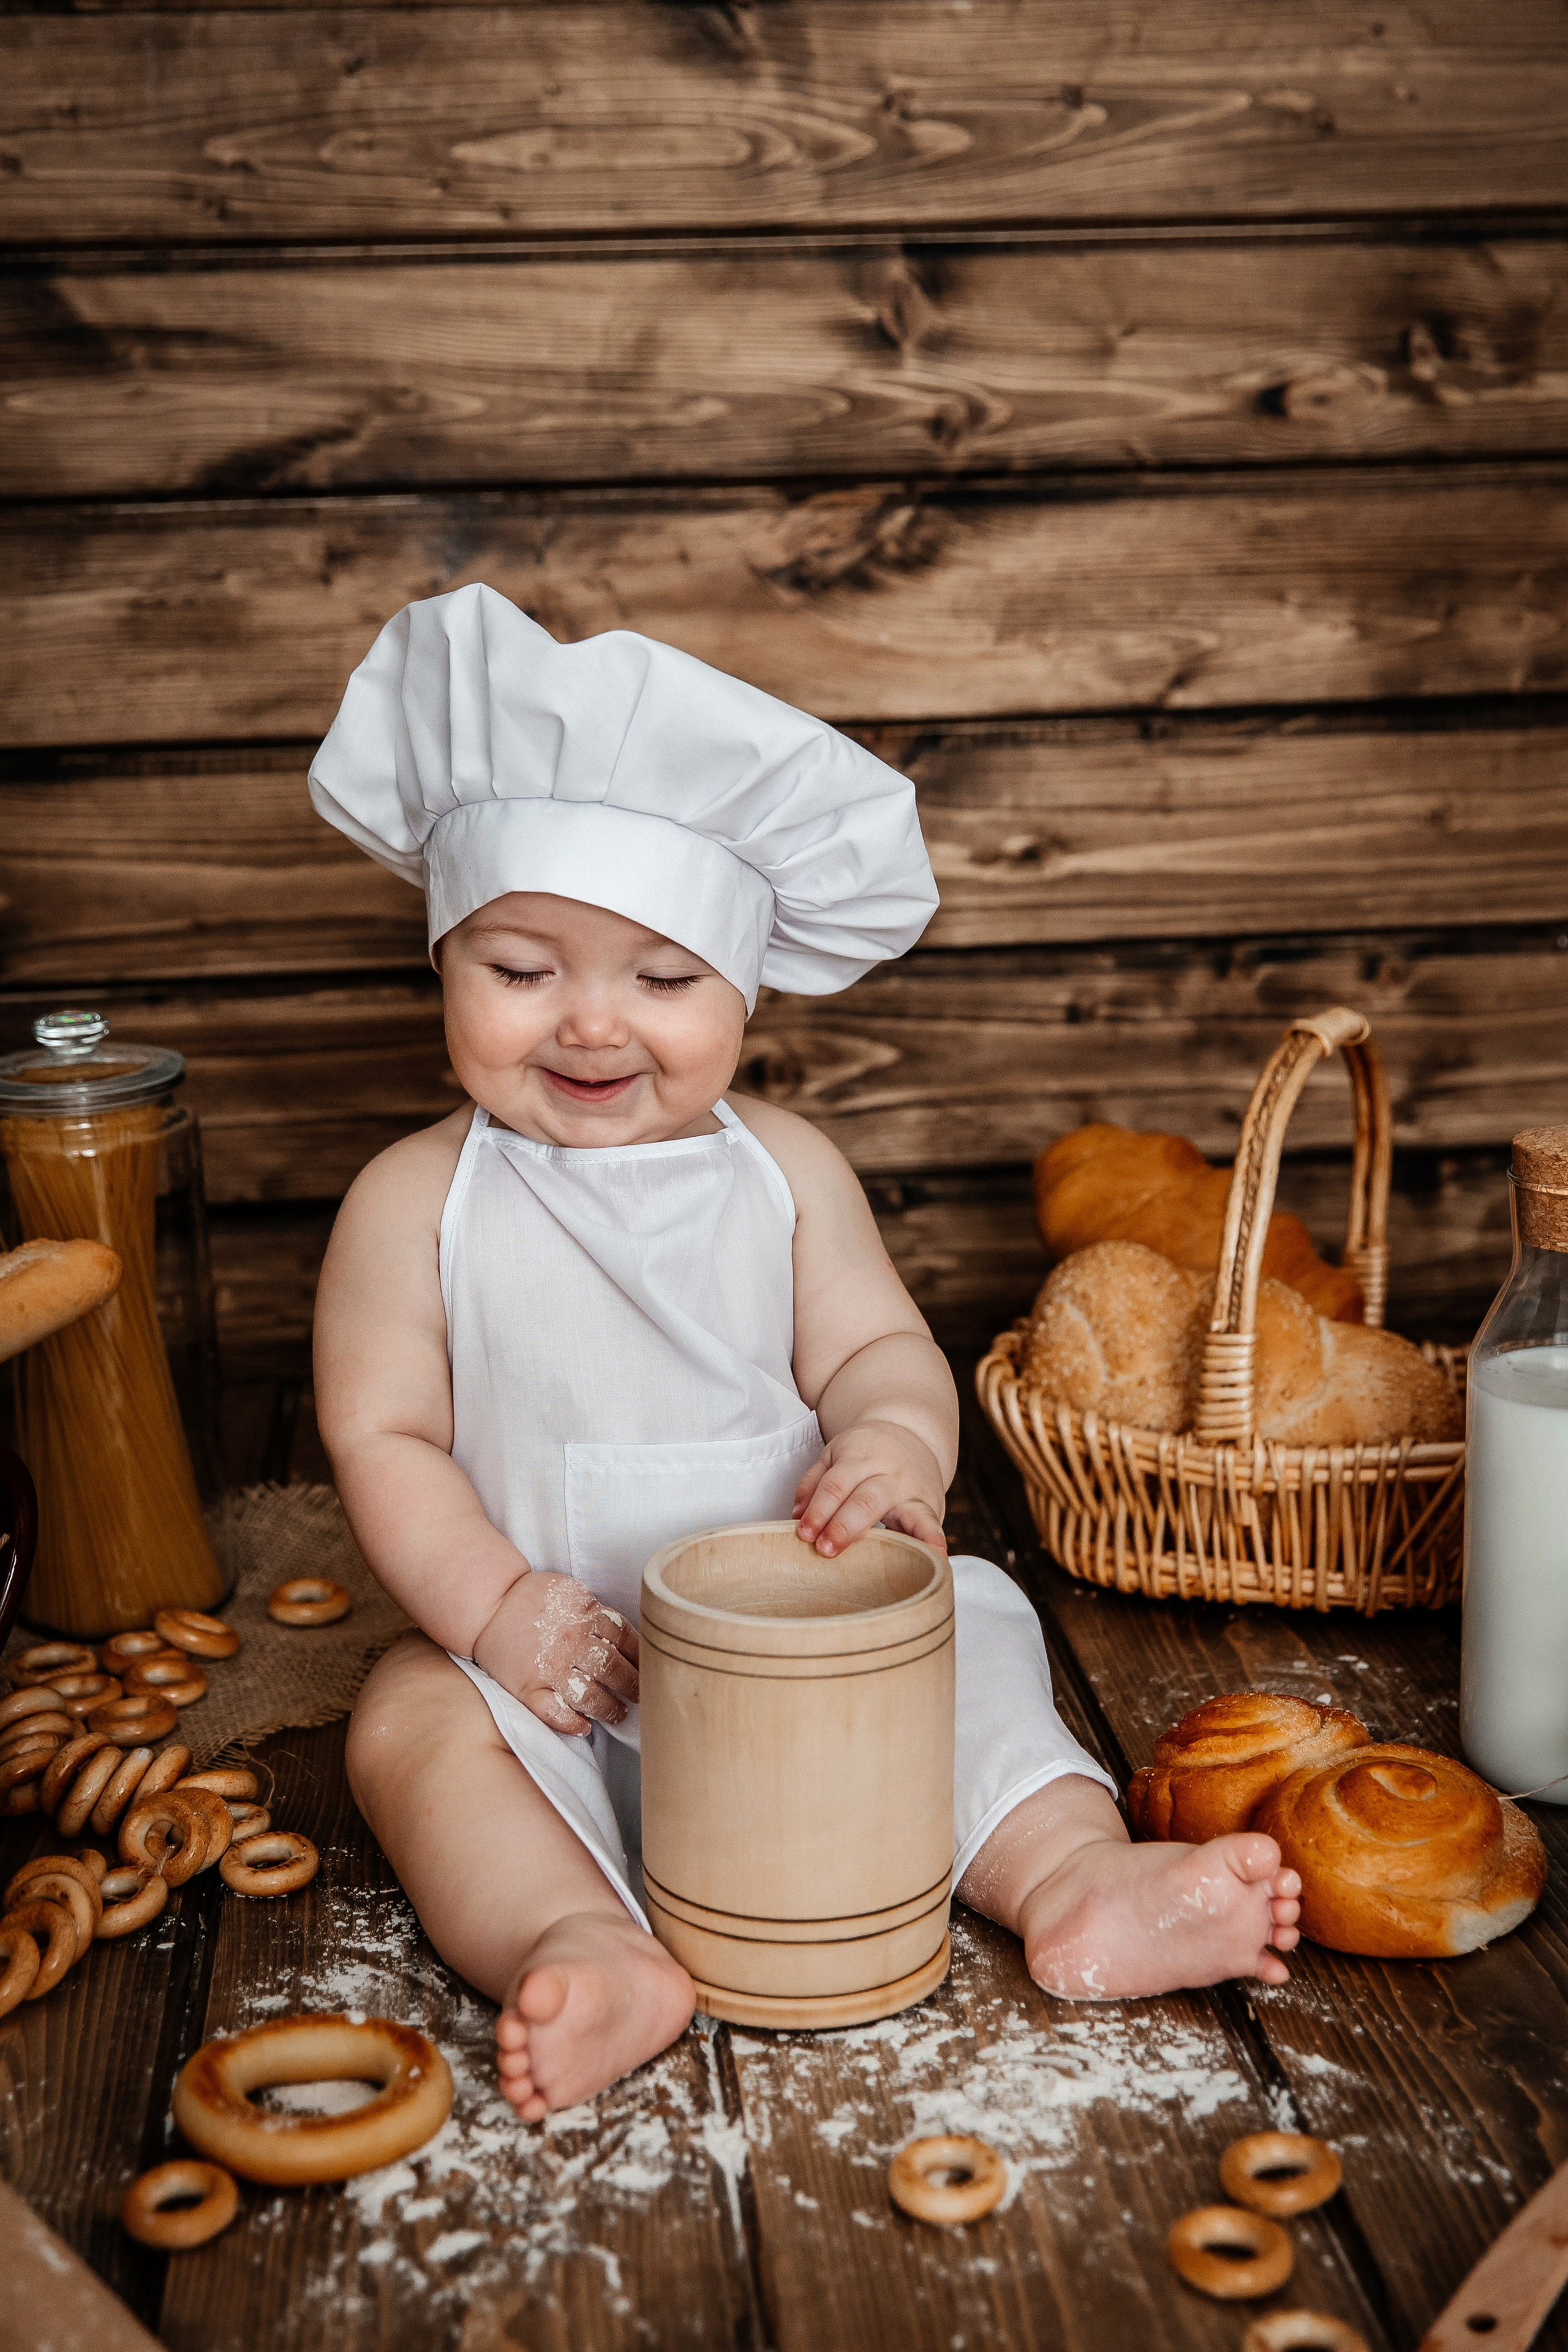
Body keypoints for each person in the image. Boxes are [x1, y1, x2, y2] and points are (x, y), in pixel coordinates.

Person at [310, 585, 1301, 2124]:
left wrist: (893, 1446)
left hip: (816, 1651)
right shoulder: (414, 1201)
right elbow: (385, 1440)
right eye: (520, 971)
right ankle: (578, 1941)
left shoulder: (782, 1172)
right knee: (404, 1722)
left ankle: (1070, 1880)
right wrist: (499, 1615)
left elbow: (877, 1354)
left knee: (972, 1645)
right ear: (442, 957)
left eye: (664, 977)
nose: (590, 1024)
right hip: (565, 1676)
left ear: (749, 986)